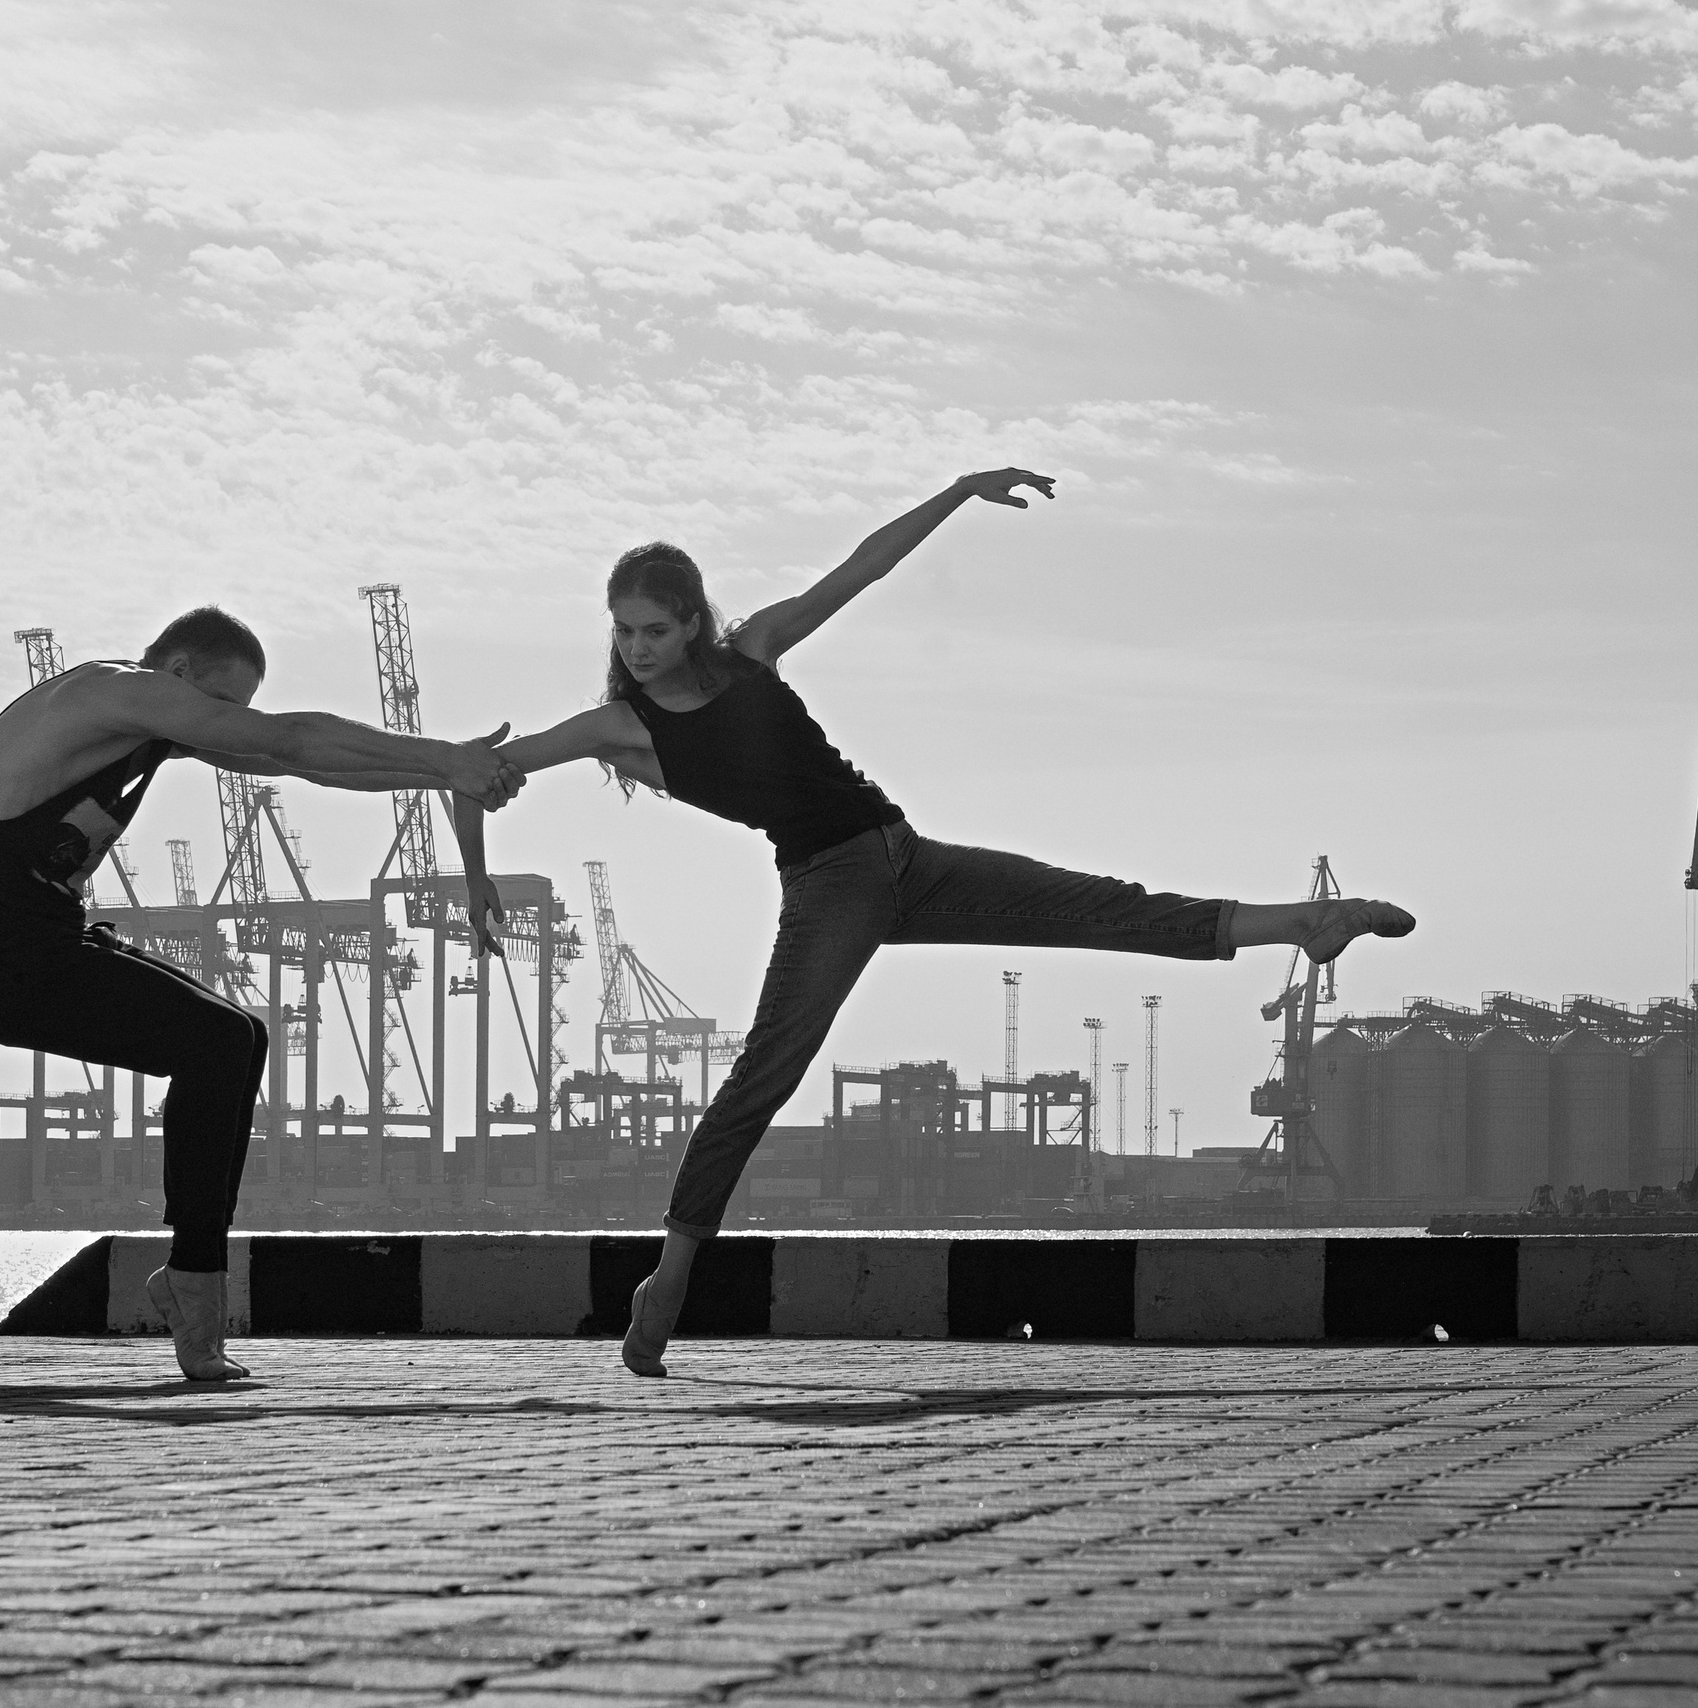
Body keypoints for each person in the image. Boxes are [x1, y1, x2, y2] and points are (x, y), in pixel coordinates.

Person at [454, 470, 1414, 1377]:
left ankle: (1305, 922)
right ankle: (668, 1281)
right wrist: (473, 873)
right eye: (623, 632)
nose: (636, 649)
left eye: (654, 629)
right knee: (765, 1073)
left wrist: (958, 492)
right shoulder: (618, 727)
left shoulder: (751, 652)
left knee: (1096, 904)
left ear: (693, 620)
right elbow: (471, 769)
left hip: (901, 855)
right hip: (832, 882)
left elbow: (865, 566)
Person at [0, 605, 520, 1382]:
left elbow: (302, 761)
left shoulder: (148, 722)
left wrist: (445, 770)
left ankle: (190, 1272)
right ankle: (195, 1282)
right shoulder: (117, 692)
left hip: (44, 945)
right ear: (179, 673)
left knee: (239, 1035)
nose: (229, 727)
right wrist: (445, 754)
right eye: (224, 706)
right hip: (3, 962)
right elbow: (286, 735)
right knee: (216, 1043)